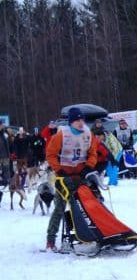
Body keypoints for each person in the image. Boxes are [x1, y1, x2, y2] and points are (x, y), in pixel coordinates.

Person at [44, 107, 100, 250]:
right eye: (77, 120)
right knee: (59, 208)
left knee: (91, 204)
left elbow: (93, 153)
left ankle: (95, 232)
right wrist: (59, 170)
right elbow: (50, 154)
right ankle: (51, 239)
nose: (81, 123)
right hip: (64, 177)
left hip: (81, 175)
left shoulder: (88, 134)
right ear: (71, 122)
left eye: (82, 120)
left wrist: (89, 166)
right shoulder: (62, 135)